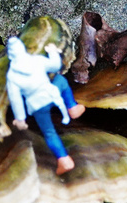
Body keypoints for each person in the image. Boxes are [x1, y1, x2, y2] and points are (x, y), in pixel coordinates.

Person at [5, 35, 86, 174]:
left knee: (49, 133)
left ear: (11, 56)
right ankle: (72, 106)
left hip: (37, 106)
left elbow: (16, 99)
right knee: (61, 79)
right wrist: (53, 52)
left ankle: (64, 160)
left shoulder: (11, 75)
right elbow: (55, 66)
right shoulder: (35, 60)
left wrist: (20, 119)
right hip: (51, 93)